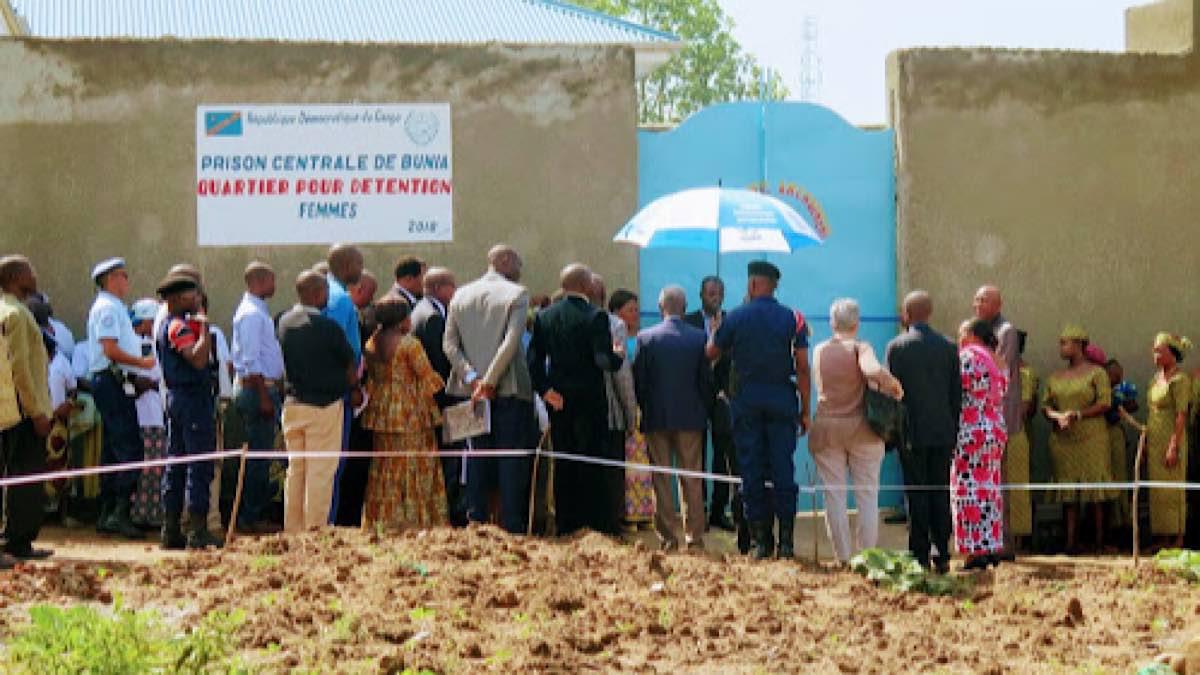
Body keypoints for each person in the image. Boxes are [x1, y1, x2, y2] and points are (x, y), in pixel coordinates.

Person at [707, 261, 810, 560]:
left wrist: (716, 332)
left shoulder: (736, 317)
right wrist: (805, 411)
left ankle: (760, 543)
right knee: (783, 471)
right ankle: (787, 544)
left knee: (750, 471)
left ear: (752, 284)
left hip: (747, 405)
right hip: (782, 402)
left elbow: (710, 353)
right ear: (773, 285)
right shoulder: (794, 318)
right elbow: (802, 368)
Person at [444, 244, 536, 535]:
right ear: (505, 260)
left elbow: (449, 345)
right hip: (508, 389)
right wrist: (490, 382)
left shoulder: (460, 294)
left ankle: (476, 521)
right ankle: (512, 525)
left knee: (474, 458)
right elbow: (511, 342)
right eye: (518, 262)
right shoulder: (517, 294)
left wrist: (473, 378)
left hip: (468, 391)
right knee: (511, 460)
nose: (520, 269)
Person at [528, 263, 624, 536]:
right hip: (591, 403)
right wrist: (617, 354)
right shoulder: (596, 317)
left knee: (565, 462)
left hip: (560, 401)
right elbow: (603, 361)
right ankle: (595, 524)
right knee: (594, 461)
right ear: (586, 286)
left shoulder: (545, 317)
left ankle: (566, 523)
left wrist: (546, 391)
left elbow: (533, 361)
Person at [810, 298, 903, 564]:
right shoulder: (861, 347)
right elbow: (872, 369)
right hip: (863, 430)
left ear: (832, 323)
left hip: (827, 429)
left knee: (834, 495)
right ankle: (867, 557)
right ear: (857, 322)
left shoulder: (819, 351)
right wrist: (894, 386)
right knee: (867, 494)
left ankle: (842, 557)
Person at [633, 286, 712, 551]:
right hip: (691, 418)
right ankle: (695, 538)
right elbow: (706, 382)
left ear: (660, 307)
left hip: (657, 418)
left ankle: (668, 538)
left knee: (661, 479)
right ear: (685, 306)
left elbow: (639, 382)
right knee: (692, 478)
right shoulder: (700, 338)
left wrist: (645, 408)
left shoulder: (646, 338)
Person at [885, 290, 959, 573]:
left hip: (911, 432)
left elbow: (893, 394)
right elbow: (956, 395)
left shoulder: (897, 347)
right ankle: (942, 550)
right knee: (940, 490)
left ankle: (919, 552)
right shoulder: (949, 347)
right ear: (929, 313)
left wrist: (893, 433)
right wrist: (952, 427)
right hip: (942, 431)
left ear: (907, 313)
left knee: (916, 492)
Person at [279, 270, 357, 533]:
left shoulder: (283, 322)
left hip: (292, 405)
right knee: (321, 473)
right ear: (315, 293)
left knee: (296, 471)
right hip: (324, 407)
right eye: (324, 290)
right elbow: (350, 364)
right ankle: (315, 532)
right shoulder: (328, 327)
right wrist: (351, 386)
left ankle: (293, 530)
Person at [360, 297, 448, 530]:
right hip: (410, 412)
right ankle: (417, 520)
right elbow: (428, 377)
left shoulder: (372, 343)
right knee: (415, 464)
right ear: (401, 320)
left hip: (382, 411)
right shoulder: (410, 344)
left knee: (386, 467)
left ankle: (383, 519)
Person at [86, 258, 155, 539]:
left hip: (115, 381)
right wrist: (141, 363)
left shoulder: (112, 307)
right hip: (112, 380)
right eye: (124, 276)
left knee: (115, 450)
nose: (127, 281)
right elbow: (110, 349)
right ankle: (119, 513)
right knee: (130, 448)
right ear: (111, 279)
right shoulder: (108, 308)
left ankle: (108, 512)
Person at [155, 272, 223, 549]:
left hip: (178, 398)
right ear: (178, 297)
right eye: (193, 294)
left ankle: (171, 530)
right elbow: (196, 359)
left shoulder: (169, 325)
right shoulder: (177, 327)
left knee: (177, 464)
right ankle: (197, 530)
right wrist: (205, 329)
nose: (197, 299)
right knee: (199, 464)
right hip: (192, 399)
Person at [0, 256, 54, 564]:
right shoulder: (18, 314)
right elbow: (19, 366)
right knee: (25, 475)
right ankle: (18, 541)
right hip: (22, 409)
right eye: (30, 270)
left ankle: (15, 539)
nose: (35, 275)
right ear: (16, 277)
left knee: (12, 475)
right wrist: (36, 412)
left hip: (8, 408)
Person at [1042, 324, 1113, 553]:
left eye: (1065, 342)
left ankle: (1099, 541)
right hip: (1063, 439)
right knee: (1068, 491)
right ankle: (1070, 541)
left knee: (1095, 490)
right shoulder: (1056, 376)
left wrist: (1078, 414)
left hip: (1092, 436)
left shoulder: (1097, 373)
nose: (1061, 347)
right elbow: (1045, 405)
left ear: (1080, 345)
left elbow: (1105, 402)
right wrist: (1056, 415)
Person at [230, 262, 285, 534]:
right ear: (259, 281)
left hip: (262, 389)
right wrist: (264, 396)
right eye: (272, 280)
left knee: (262, 458)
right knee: (258, 459)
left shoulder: (257, 310)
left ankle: (254, 513)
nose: (275, 286)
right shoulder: (251, 314)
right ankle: (250, 517)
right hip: (256, 391)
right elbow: (250, 362)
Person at [411, 266, 467, 526]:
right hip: (442, 400)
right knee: (449, 459)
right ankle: (450, 512)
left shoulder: (421, 311)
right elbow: (439, 363)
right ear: (437, 288)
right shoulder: (432, 317)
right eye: (451, 286)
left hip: (432, 399)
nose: (454, 292)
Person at [954, 319, 1009, 570]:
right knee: (989, 490)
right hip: (994, 429)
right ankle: (989, 546)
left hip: (971, 430)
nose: (959, 338)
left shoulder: (968, 357)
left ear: (973, 334)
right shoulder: (998, 361)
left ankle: (973, 552)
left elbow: (957, 389)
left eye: (962, 333)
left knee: (967, 491)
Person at [684, 276, 738, 532]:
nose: (715, 297)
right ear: (701, 295)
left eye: (719, 293)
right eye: (710, 293)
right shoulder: (688, 322)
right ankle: (698, 511)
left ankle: (719, 511)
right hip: (695, 396)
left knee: (721, 456)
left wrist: (720, 340)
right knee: (696, 457)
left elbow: (734, 359)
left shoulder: (731, 322)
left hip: (721, 398)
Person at [972, 285, 1021, 559]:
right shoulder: (982, 332)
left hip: (999, 416)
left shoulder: (1006, 332)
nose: (976, 304)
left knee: (998, 481)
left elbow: (999, 368)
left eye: (982, 300)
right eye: (976, 299)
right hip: (983, 418)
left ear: (997, 305)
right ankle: (990, 541)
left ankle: (1003, 544)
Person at [600, 285, 649, 530]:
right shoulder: (615, 337)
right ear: (617, 312)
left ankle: (642, 514)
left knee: (640, 466)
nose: (635, 315)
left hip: (641, 407)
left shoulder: (641, 339)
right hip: (623, 409)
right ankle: (625, 514)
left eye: (637, 310)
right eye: (631, 310)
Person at [323, 245, 365, 523]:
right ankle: (329, 523)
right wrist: (352, 387)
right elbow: (337, 348)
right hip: (338, 393)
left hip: (333, 389)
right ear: (348, 264)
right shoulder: (339, 299)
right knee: (333, 465)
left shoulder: (330, 293)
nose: (361, 270)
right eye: (359, 264)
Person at [1146, 333, 1191, 550]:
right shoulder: (1154, 380)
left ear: (1172, 354)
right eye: (1154, 350)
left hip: (1172, 437)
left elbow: (1181, 413)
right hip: (1154, 439)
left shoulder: (1180, 380)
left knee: (1173, 488)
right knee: (1158, 491)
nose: (1155, 354)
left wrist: (1174, 444)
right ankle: (1162, 536)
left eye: (1159, 351)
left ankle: (1177, 537)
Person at [128, 298, 166, 530]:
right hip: (147, 415)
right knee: (149, 467)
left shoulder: (147, 344)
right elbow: (143, 379)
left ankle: (148, 513)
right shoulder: (141, 345)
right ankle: (143, 514)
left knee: (152, 466)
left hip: (152, 413)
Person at [1003, 330, 1037, 549]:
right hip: (997, 434)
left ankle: (1018, 538)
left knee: (1016, 487)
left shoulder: (1024, 374)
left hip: (1014, 434)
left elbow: (1023, 409)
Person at [1105, 358, 1137, 537]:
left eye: (1119, 376)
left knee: (1120, 478)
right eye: (1113, 376)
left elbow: (1133, 406)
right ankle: (1111, 523)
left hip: (1116, 435)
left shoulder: (1122, 391)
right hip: (1101, 436)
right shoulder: (1101, 392)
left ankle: (1122, 522)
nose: (1117, 380)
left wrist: (1125, 404)